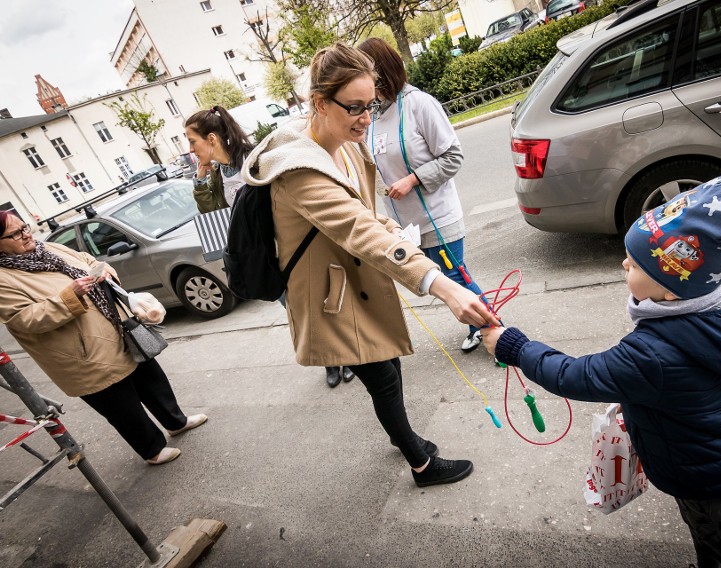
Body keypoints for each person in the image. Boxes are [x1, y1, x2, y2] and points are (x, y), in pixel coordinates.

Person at [483, 170, 721, 568]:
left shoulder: (653, 353)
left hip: (703, 475)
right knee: (718, 541)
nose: (623, 263)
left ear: (670, 289)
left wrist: (514, 346)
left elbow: (576, 375)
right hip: (718, 456)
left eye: (634, 265)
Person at [241, 43, 500, 487]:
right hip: (330, 298)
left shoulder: (346, 145)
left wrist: (391, 228)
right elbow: (358, 230)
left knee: (390, 371)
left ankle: (405, 438)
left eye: (372, 105)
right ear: (320, 103)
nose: (366, 117)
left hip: (353, 282)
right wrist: (442, 285)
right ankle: (420, 463)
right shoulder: (299, 168)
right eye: (355, 107)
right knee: (383, 378)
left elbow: (364, 213)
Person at [0, 211, 207, 466]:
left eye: (25, 228)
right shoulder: (4, 279)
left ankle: (176, 422)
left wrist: (104, 271)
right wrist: (70, 296)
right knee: (122, 407)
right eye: (15, 233)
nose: (26, 235)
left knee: (152, 380)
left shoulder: (48, 248)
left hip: (118, 329)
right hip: (82, 352)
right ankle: (152, 449)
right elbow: (25, 320)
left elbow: (87, 259)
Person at [357, 37, 486, 354]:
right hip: (407, 225)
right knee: (440, 279)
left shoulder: (419, 104)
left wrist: (412, 180)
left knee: (455, 276)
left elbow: (452, 156)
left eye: (363, 73)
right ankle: (483, 324)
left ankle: (489, 327)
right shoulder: (372, 116)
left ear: (380, 72)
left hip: (439, 216)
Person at [184, 105, 254, 213]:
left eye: (192, 142)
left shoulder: (253, 159)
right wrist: (200, 182)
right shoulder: (216, 174)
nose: (191, 150)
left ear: (211, 139)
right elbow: (213, 215)